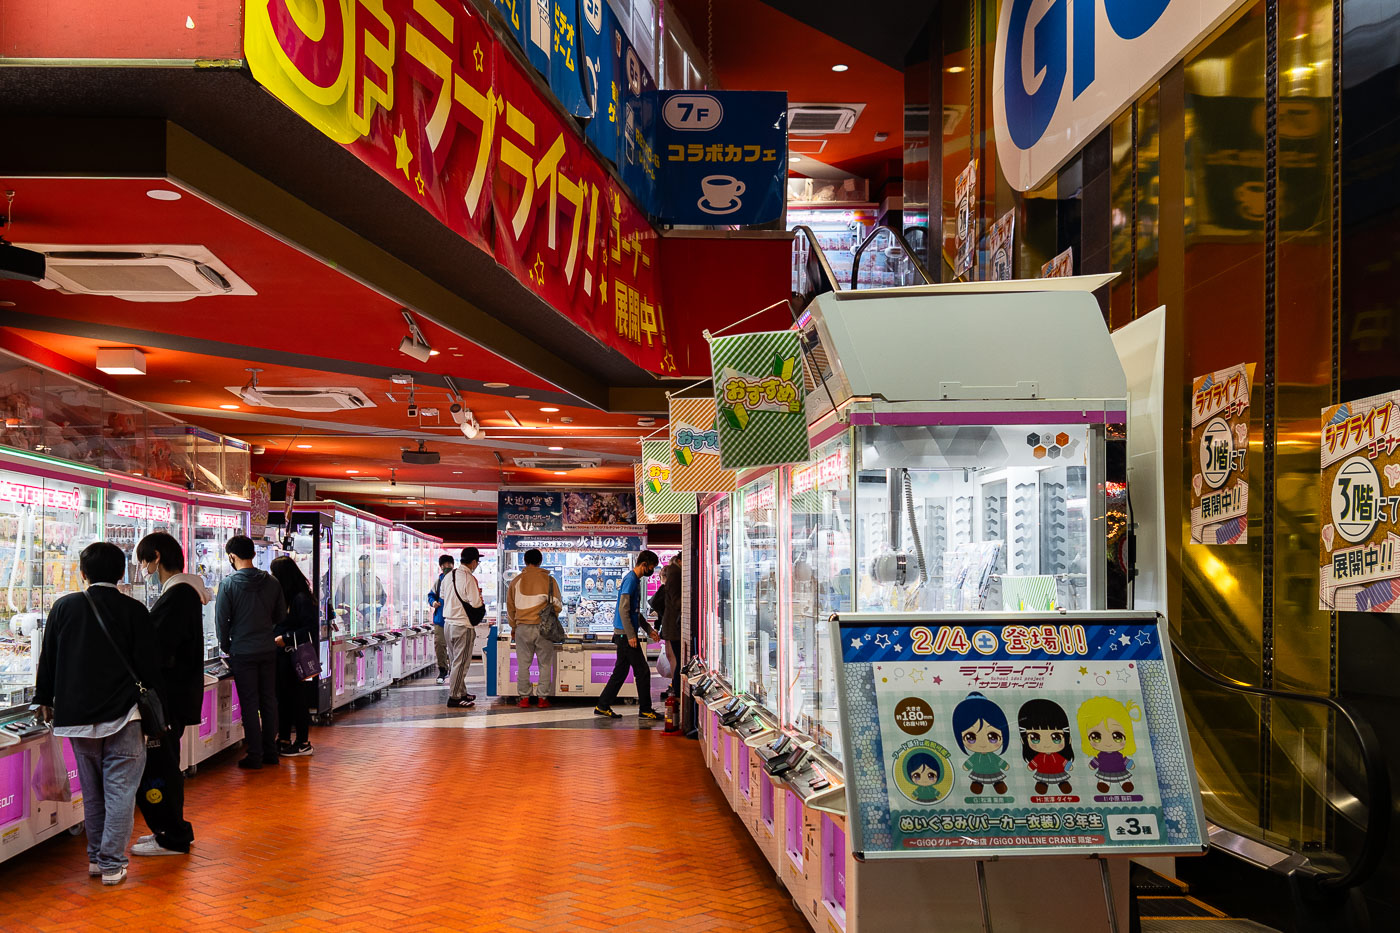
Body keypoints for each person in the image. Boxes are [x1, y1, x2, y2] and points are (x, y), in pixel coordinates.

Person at [33, 542, 157, 886]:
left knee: (92, 791)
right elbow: (149, 668)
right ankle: (111, 862)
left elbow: (49, 659)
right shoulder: (135, 610)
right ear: (121, 574)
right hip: (124, 716)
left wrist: (44, 697)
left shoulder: (63, 607)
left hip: (75, 717)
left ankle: (95, 859)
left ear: (82, 572)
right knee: (120, 790)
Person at [130, 532, 209, 858]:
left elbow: (157, 649)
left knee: (160, 767)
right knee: (165, 764)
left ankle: (171, 835)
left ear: (157, 557)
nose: (143, 567)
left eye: (144, 560)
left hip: (167, 699)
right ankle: (168, 830)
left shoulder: (177, 597)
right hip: (176, 696)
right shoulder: (184, 593)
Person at [216, 534, 286, 770]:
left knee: (249, 702)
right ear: (254, 554)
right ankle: (271, 752)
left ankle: (254, 754)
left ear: (231, 557)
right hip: (267, 649)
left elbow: (221, 621)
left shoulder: (227, 584)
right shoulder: (272, 582)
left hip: (242, 651)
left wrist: (226, 645)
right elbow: (280, 617)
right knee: (269, 700)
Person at [594, 550, 662, 720]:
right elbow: (623, 609)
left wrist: (649, 630)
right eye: (652, 567)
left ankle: (602, 705)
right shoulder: (631, 580)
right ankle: (645, 709)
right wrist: (631, 635)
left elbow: (634, 612)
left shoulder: (634, 581)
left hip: (624, 633)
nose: (652, 571)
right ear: (644, 564)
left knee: (621, 671)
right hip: (625, 635)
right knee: (643, 671)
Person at [270, 556, 319, 757]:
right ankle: (283, 737)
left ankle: (303, 741)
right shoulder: (289, 597)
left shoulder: (300, 598)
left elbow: (310, 628)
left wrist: (286, 638)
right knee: (284, 698)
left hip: (293, 656)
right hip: (283, 657)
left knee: (296, 698)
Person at [506, 548, 563, 708]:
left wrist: (513, 626)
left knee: (523, 664)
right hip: (544, 629)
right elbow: (558, 605)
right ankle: (542, 698)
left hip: (522, 628)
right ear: (540, 562)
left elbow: (510, 607)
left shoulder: (516, 581)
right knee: (545, 664)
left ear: (525, 561)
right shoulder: (550, 581)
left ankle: (524, 698)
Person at [441, 546, 484, 709]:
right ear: (473, 562)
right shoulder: (468, 578)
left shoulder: (449, 575)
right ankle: (454, 697)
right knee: (461, 663)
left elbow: (443, 596)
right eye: (477, 562)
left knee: (454, 662)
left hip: (448, 624)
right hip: (463, 626)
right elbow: (476, 603)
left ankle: (461, 691)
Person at [427, 554, 455, 684]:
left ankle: (455, 670)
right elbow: (431, 596)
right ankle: (443, 669)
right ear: (441, 566)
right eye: (444, 565)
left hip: (455, 618)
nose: (447, 567)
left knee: (455, 646)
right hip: (440, 619)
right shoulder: (438, 582)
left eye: (449, 565)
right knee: (440, 645)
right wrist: (433, 603)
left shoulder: (457, 579)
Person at [658, 554, 682, 702]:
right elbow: (676, 601)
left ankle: (675, 687)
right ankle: (676, 689)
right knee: (676, 658)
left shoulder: (675, 573)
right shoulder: (675, 573)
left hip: (671, 626)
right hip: (674, 626)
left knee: (674, 657)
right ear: (680, 561)